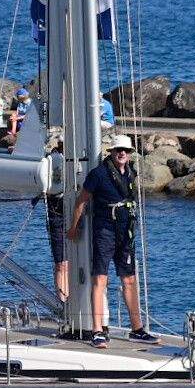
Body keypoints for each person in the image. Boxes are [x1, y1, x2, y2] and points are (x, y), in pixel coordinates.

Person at [68, 135, 156, 348]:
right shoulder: (98, 174)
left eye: (125, 150)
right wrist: (74, 226)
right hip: (105, 231)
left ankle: (137, 329)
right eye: (118, 150)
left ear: (130, 153)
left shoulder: (131, 174)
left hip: (125, 233)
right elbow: (82, 200)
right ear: (112, 151)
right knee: (100, 280)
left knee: (129, 280)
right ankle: (97, 331)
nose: (122, 153)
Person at [46, 193, 68, 303]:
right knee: (61, 264)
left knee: (72, 264)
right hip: (56, 213)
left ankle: (71, 298)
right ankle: (62, 302)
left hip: (75, 208)